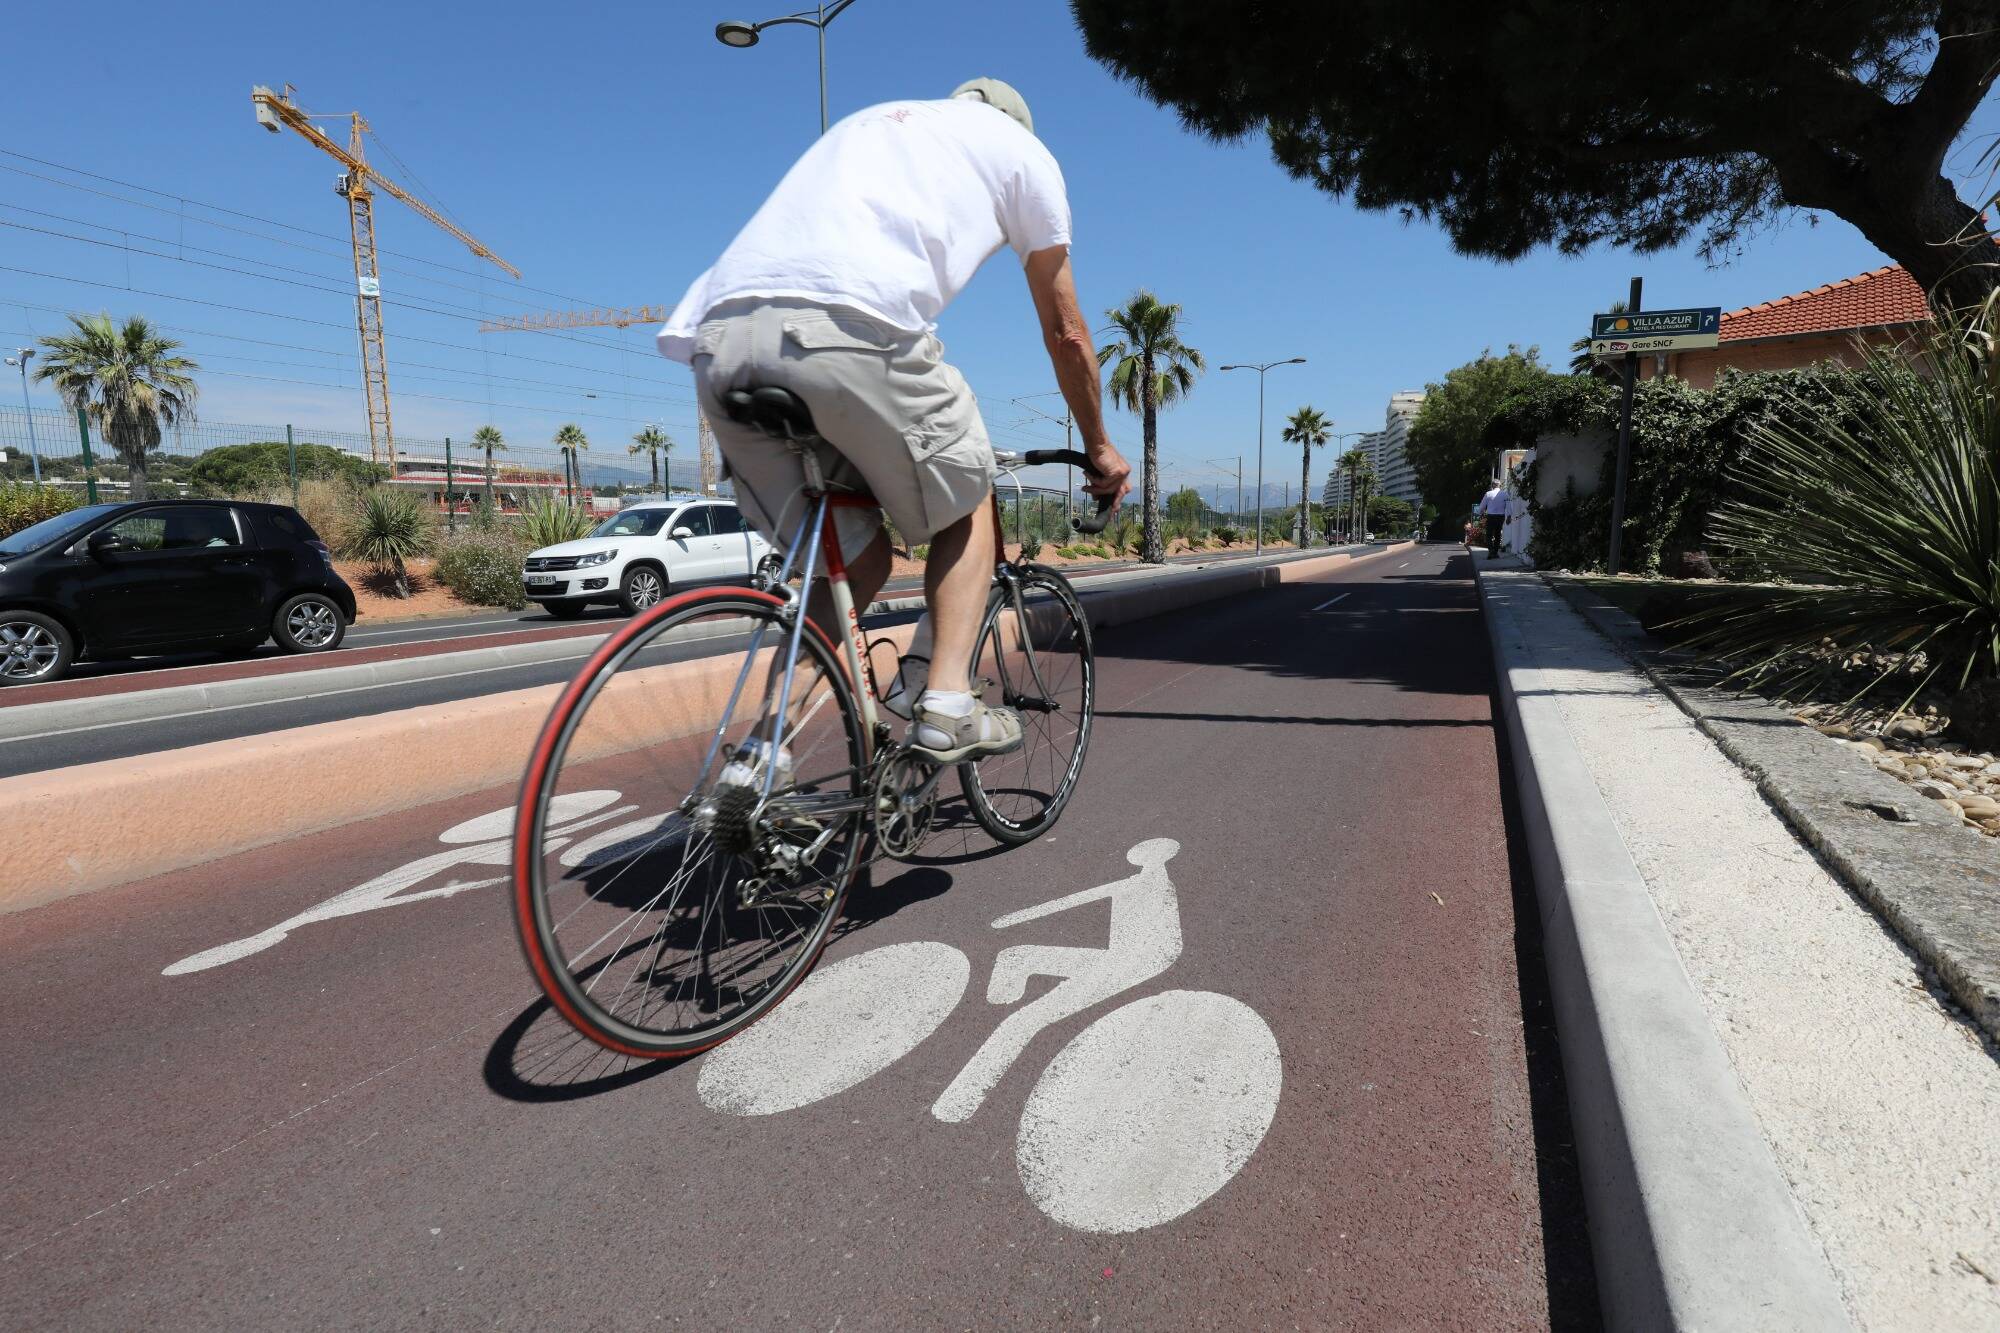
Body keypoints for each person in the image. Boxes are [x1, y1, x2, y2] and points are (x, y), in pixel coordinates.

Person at [658, 79, 1131, 768]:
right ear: (1019, 127)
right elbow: (1066, 332)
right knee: (970, 502)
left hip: (718, 340)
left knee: (856, 562)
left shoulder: (872, 124)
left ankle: (760, 759)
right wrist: (1099, 446)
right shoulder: (1024, 154)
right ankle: (945, 706)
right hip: (846, 324)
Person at [1477, 478, 1510, 558]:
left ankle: (1491, 550)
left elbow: (1482, 506)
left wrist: (1480, 513)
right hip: (1500, 517)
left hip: (1491, 516)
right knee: (1498, 534)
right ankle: (1495, 552)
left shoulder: (1488, 494)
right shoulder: (1505, 494)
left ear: (1492, 485)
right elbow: (1509, 507)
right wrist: (1509, 516)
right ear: (1500, 486)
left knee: (1489, 534)